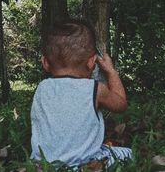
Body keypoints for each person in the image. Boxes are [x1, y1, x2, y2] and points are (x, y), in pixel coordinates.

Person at [30, 20, 132, 168]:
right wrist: (111, 71)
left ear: (45, 62)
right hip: (85, 165)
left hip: (43, 165)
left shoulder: (41, 89)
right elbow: (121, 104)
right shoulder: (95, 89)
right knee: (128, 153)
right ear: (92, 62)